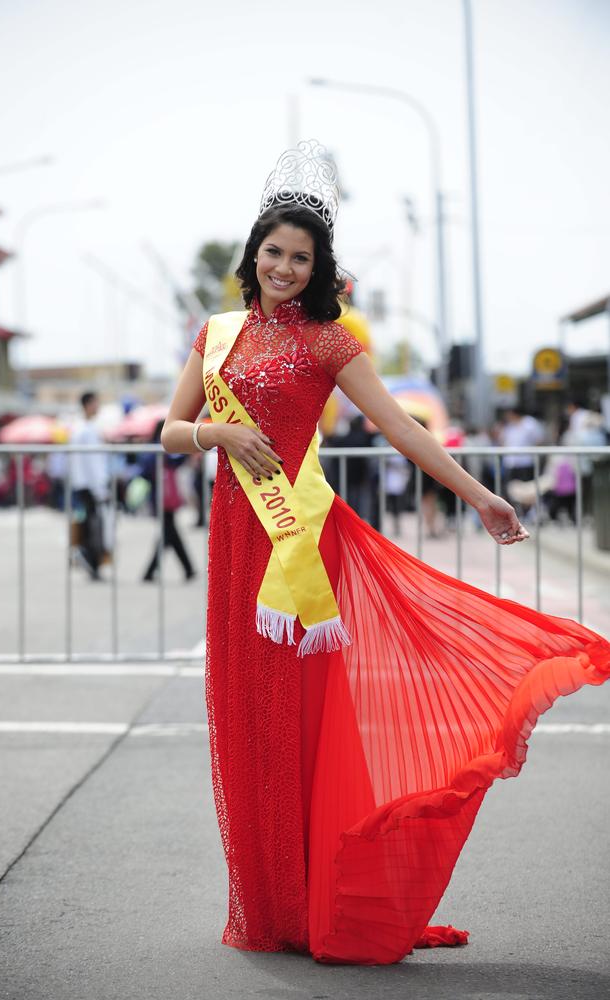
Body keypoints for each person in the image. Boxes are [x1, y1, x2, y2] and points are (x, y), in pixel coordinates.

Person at [160, 141, 610, 965]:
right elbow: (167, 431)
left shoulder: (332, 344)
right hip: (235, 538)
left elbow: (402, 428)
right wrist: (214, 430)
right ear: (252, 255)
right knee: (243, 716)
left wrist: (480, 496)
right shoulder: (217, 334)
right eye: (274, 252)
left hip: (298, 547)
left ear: (320, 265)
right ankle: (269, 905)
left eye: (302, 257)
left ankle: (309, 900)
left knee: (295, 717)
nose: (285, 268)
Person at [140, 419, 196, 582]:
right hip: (163, 495)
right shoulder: (161, 447)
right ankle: (186, 568)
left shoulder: (151, 448)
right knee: (169, 533)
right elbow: (176, 461)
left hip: (160, 495)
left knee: (169, 533)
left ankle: (185, 568)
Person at [70, 390, 110, 581]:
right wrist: (100, 488)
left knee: (87, 525)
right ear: (88, 405)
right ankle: (91, 560)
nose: (98, 407)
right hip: (90, 485)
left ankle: (89, 559)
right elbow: (93, 463)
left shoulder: (79, 429)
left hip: (82, 484)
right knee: (93, 526)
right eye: (95, 403)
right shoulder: (87, 430)